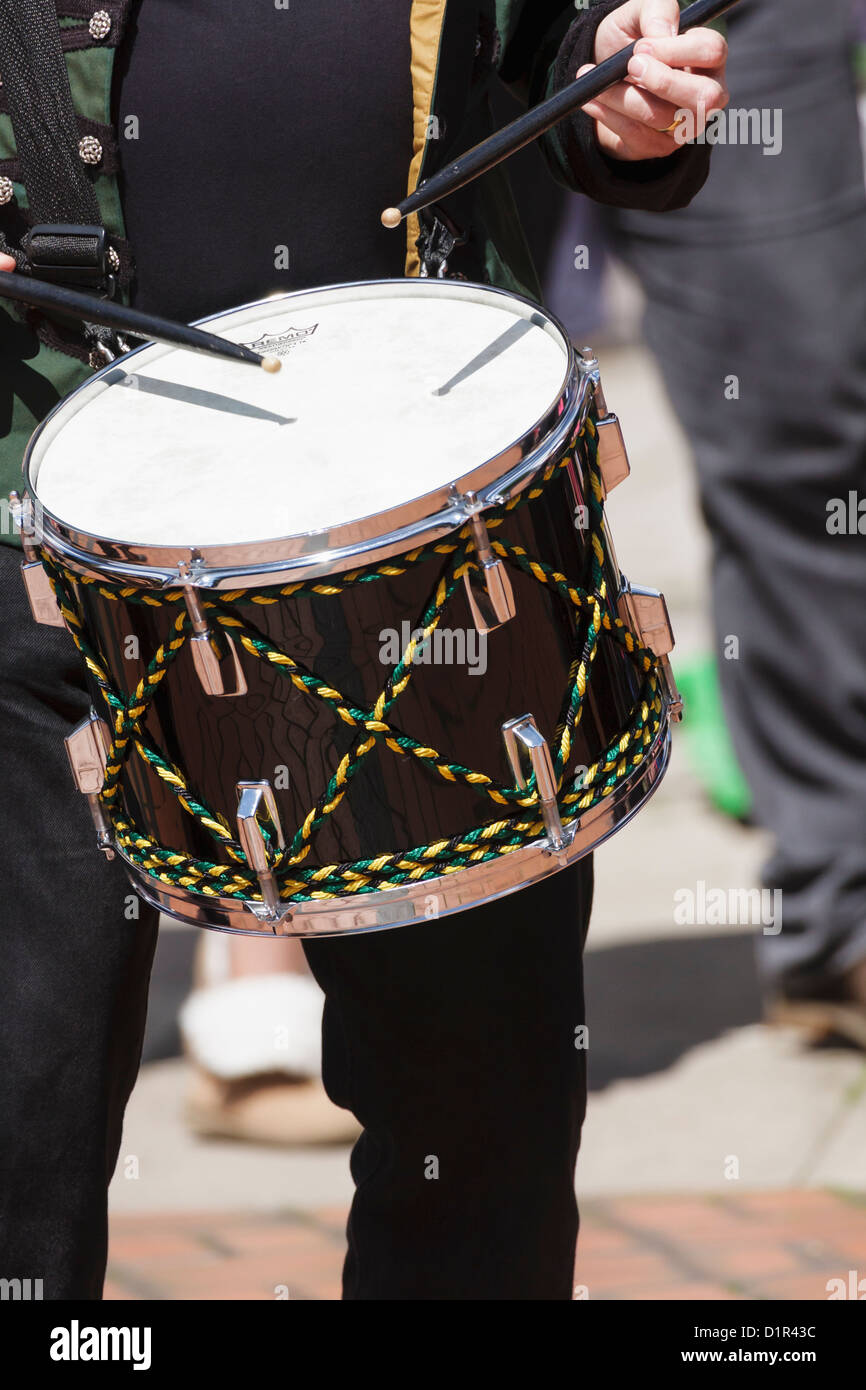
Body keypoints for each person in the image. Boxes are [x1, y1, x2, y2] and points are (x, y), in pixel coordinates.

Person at [0, 0, 728, 1300]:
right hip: (32, 503)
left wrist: (616, 95)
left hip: (426, 508)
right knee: (16, 1121)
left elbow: (554, 49)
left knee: (477, 1125)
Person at [599, 0, 866, 1046]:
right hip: (400, 26)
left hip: (733, 21)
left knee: (806, 438)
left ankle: (837, 911)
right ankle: (264, 931)